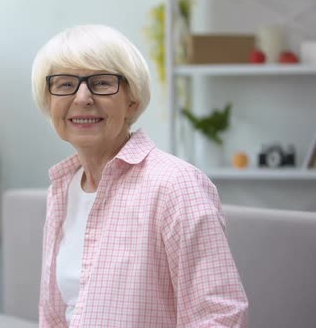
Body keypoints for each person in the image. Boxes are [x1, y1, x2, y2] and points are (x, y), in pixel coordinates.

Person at [31, 24, 248, 327]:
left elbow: (220, 317)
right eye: (65, 85)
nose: (82, 97)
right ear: (49, 101)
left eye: (102, 83)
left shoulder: (176, 185)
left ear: (132, 99)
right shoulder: (62, 189)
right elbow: (55, 316)